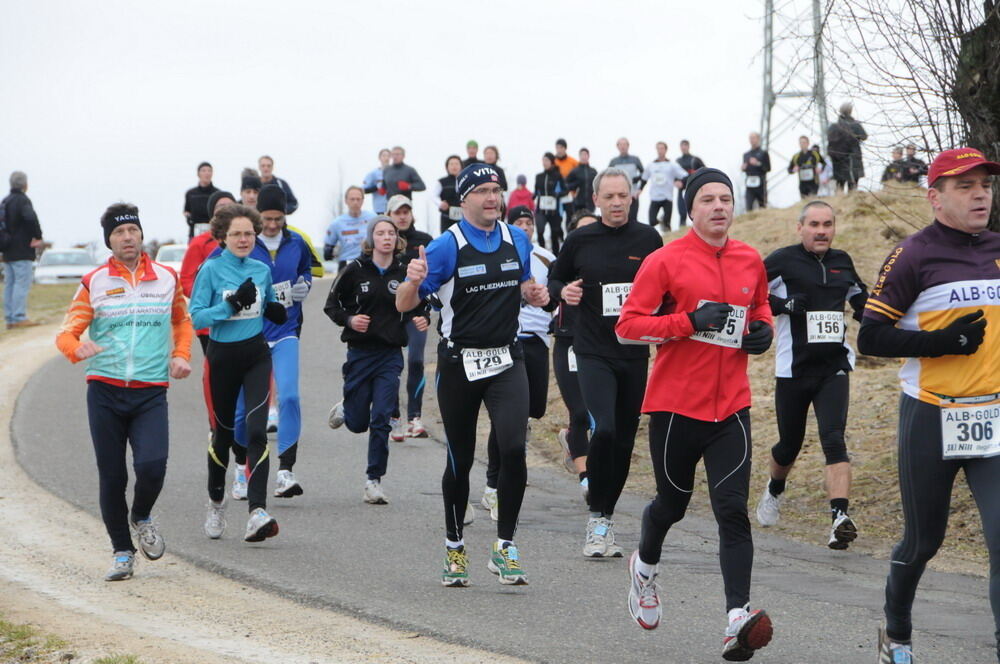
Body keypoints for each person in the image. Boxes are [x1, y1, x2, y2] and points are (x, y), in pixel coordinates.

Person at [615, 167, 774, 660]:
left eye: (726, 198)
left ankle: (736, 620)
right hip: (675, 408)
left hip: (731, 408)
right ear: (691, 208)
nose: (720, 206)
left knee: (732, 512)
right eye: (708, 199)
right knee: (673, 504)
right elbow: (627, 328)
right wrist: (687, 321)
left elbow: (762, 309)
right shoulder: (665, 261)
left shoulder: (750, 260)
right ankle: (644, 570)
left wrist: (763, 332)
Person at [857, 148, 1000, 664]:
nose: (981, 193)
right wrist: (941, 343)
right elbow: (870, 338)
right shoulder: (913, 255)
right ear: (935, 197)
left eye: (984, 184)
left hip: (992, 419)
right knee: (922, 542)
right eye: (965, 186)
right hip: (931, 415)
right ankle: (896, 634)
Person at [395, 162, 549, 587]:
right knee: (459, 459)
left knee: (514, 447)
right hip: (459, 363)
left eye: (496, 188)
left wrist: (533, 293)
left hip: (506, 359)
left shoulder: (517, 238)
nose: (492, 197)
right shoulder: (447, 246)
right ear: (464, 200)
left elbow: (524, 285)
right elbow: (403, 305)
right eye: (481, 190)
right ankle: (455, 547)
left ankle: (504, 547)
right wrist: (412, 282)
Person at [56, 203, 194, 580]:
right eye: (119, 232)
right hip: (104, 389)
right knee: (112, 475)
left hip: (150, 390)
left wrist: (181, 355)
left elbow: (182, 322)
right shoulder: (94, 282)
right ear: (109, 241)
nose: (127, 237)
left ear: (141, 235)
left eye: (132, 229)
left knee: (152, 467)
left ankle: (142, 515)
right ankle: (121, 551)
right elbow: (66, 333)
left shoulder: (166, 278)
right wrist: (76, 349)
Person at [548, 167, 662, 559]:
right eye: (609, 197)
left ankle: (606, 518)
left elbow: (667, 287)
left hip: (634, 353)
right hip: (592, 350)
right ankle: (596, 517)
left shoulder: (649, 239)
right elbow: (554, 281)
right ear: (596, 200)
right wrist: (566, 291)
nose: (617, 203)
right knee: (607, 430)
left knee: (626, 441)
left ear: (632, 197)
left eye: (623, 196)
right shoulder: (580, 240)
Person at [756, 200, 868, 550]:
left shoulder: (842, 262)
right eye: (815, 224)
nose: (822, 231)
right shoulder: (782, 260)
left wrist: (883, 321)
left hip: (834, 367)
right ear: (800, 228)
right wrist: (782, 306)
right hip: (793, 369)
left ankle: (839, 519)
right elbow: (748, 294)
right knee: (789, 444)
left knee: (833, 438)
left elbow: (862, 299)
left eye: (828, 224)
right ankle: (775, 487)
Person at [189, 203, 287, 543]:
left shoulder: (261, 269)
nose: (244, 239)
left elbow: (270, 302)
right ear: (222, 237)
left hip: (257, 355)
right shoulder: (211, 270)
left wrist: (274, 309)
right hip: (222, 358)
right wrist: (230, 306)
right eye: (236, 234)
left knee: (257, 430)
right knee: (224, 436)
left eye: (248, 233)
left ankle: (257, 512)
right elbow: (197, 318)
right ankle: (216, 503)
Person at [326, 216, 430, 504]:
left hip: (389, 355)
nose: (386, 237)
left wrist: (422, 318)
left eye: (391, 233)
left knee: (382, 417)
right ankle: (348, 407)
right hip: (359, 354)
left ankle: (373, 481)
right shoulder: (354, 270)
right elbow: (331, 306)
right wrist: (350, 319)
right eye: (380, 233)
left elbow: (417, 304)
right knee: (358, 423)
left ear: (397, 240)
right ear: (371, 240)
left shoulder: (403, 273)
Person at [225, 185, 313, 501]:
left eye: (278, 218)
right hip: (248, 335)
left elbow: (306, 271)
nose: (273, 225)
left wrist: (305, 285)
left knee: (289, 397)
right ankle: (240, 469)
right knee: (242, 410)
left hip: (286, 330)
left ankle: (285, 471)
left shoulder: (297, 243)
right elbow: (215, 270)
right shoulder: (244, 242)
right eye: (267, 218)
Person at [481, 206, 557, 519]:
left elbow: (557, 293)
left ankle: (510, 456)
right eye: (518, 223)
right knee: (508, 416)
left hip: (537, 339)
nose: (524, 228)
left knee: (534, 409)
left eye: (529, 223)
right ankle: (493, 486)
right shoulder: (498, 252)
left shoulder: (546, 258)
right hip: (507, 340)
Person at [551, 209, 599, 499]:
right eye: (582, 232)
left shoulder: (614, 264)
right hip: (569, 342)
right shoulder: (563, 266)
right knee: (579, 412)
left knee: (605, 417)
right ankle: (586, 479)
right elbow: (549, 291)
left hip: (604, 345)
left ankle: (574, 443)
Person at [386, 194, 434, 440]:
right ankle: (394, 417)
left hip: (416, 315)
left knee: (416, 361)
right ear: (389, 216)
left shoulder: (425, 242)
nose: (403, 216)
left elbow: (434, 282)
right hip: (391, 318)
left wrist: (426, 313)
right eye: (397, 212)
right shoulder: (384, 243)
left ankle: (415, 418)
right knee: (392, 366)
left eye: (406, 211)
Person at [2, 171, 44, 328]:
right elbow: (30, 218)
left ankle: (10, 318)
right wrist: (37, 236)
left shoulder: (5, 201)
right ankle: (19, 317)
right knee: (21, 283)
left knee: (10, 284)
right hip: (21, 250)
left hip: (6, 250)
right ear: (25, 185)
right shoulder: (22, 200)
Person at [324, 186, 377, 273]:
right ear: (346, 201)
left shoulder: (372, 218)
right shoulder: (337, 223)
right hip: (347, 263)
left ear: (363, 201)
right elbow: (327, 251)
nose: (355, 202)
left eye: (358, 199)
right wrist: (331, 252)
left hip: (369, 262)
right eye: (352, 199)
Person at [640, 142, 686, 230]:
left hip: (667, 197)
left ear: (666, 150)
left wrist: (680, 182)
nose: (660, 151)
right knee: (652, 221)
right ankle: (659, 223)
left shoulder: (672, 165)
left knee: (666, 223)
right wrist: (640, 189)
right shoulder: (651, 165)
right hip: (655, 197)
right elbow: (644, 179)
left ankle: (668, 238)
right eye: (658, 148)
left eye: (662, 148)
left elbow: (684, 175)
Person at [827, 101, 867, 193]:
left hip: (837, 160)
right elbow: (864, 136)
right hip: (852, 158)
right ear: (850, 111)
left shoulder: (833, 127)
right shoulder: (855, 125)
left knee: (839, 184)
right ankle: (851, 201)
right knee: (852, 184)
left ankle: (839, 201)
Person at [534, 152, 567, 254]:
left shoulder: (557, 176)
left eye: (547, 160)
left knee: (554, 234)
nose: (544, 162)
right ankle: (543, 252)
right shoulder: (539, 176)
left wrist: (557, 194)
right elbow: (536, 191)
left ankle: (556, 257)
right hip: (541, 209)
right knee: (540, 231)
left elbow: (566, 190)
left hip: (554, 210)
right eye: (543, 160)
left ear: (552, 162)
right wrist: (534, 195)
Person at [608, 138, 644, 223]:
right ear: (617, 147)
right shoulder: (613, 162)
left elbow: (644, 175)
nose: (623, 147)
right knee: (621, 219)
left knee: (633, 218)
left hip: (632, 194)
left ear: (628, 146)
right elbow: (607, 177)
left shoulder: (635, 159)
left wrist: (639, 188)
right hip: (618, 195)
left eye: (625, 144)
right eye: (620, 145)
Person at [183, 162, 218, 240]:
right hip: (195, 231)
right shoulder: (190, 194)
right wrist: (189, 218)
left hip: (213, 231)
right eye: (204, 170)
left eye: (209, 171)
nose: (207, 173)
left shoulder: (217, 193)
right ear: (198, 174)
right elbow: (186, 211)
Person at [676, 140, 706, 226]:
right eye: (682, 146)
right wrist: (676, 182)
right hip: (682, 187)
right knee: (681, 208)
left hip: (693, 186)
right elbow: (674, 174)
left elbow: (704, 170)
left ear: (688, 146)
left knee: (696, 206)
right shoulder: (678, 161)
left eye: (685, 145)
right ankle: (682, 225)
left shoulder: (695, 159)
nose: (683, 148)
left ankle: (699, 223)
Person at [434, 155, 464, 234]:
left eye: (456, 164)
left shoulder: (466, 181)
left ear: (461, 166)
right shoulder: (441, 182)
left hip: (464, 218)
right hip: (447, 217)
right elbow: (434, 196)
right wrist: (440, 203)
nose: (454, 166)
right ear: (447, 167)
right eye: (451, 164)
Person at [742, 132, 771, 210]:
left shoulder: (763, 153)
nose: (752, 140)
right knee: (749, 205)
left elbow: (768, 168)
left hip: (760, 183)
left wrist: (758, 164)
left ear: (758, 139)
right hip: (749, 183)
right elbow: (745, 168)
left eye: (753, 138)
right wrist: (743, 168)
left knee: (762, 205)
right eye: (750, 138)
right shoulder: (746, 155)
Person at [566, 148, 597, 213]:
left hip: (591, 203)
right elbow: (566, 185)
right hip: (578, 203)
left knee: (590, 221)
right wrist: (575, 185)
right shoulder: (574, 171)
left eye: (585, 155)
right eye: (582, 155)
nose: (584, 157)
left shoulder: (593, 172)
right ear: (579, 156)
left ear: (588, 156)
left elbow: (598, 185)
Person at [363, 148, 391, 214]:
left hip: (393, 208)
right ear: (379, 158)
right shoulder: (373, 173)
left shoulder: (395, 173)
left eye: (388, 156)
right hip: (379, 209)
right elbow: (363, 190)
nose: (386, 158)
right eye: (384, 156)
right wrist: (377, 188)